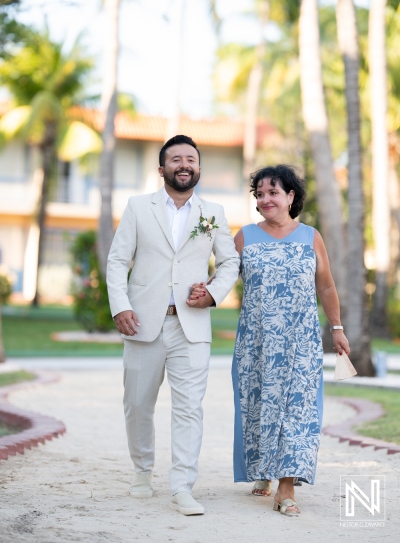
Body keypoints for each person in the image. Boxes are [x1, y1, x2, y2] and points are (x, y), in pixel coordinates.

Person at [107, 134, 240, 516]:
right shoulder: (137, 207)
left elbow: (229, 263)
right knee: (137, 404)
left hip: (192, 327)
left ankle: (182, 486)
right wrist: (120, 306)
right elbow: (118, 262)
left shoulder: (212, 211)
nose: (185, 164)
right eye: (176, 159)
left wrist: (213, 294)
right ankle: (141, 470)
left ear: (199, 167)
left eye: (191, 159)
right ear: (162, 168)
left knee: (189, 409)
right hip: (143, 324)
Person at [232, 165, 350, 517]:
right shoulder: (244, 237)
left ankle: (285, 486)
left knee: (297, 412)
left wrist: (337, 328)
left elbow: (325, 285)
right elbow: (221, 278)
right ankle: (264, 472)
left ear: (291, 196)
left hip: (301, 341)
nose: (265, 199)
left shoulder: (310, 236)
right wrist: (201, 291)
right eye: (260, 194)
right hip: (256, 342)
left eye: (273, 192)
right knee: (259, 409)